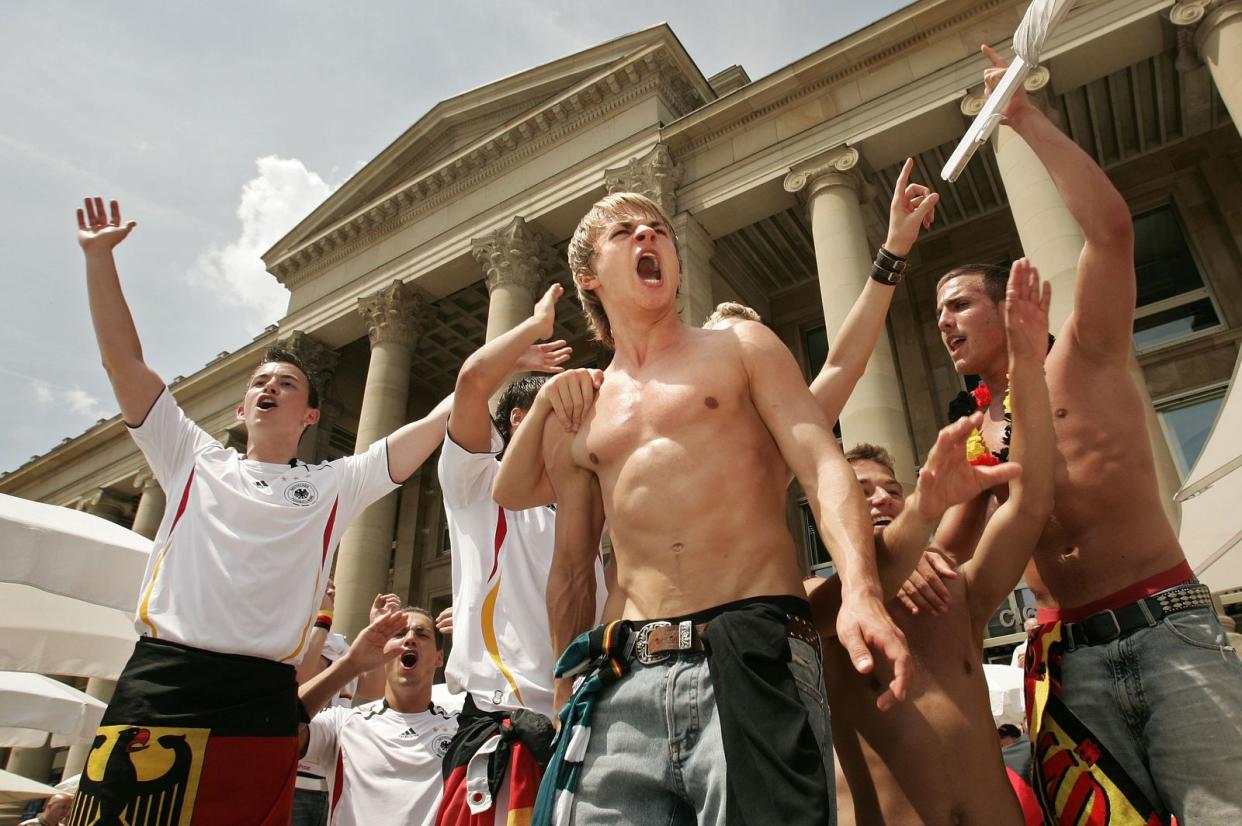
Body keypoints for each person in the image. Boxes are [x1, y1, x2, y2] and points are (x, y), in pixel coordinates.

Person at [494, 190, 911, 826]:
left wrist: (860, 589)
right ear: (588, 277)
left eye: (658, 229)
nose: (647, 237)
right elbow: (573, 564)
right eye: (625, 232)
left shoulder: (740, 346)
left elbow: (824, 464)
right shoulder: (582, 407)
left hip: (751, 651)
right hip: (622, 671)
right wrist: (562, 694)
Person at [930, 47, 1242, 823]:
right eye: (936, 315)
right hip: (1067, 663)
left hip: (1168, 625)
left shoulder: (1083, 351)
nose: (944, 324)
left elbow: (1108, 231)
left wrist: (1025, 117)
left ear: (1007, 305)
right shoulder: (977, 436)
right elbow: (950, 556)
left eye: (959, 305)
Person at [69, 198, 452, 825]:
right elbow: (125, 365)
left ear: (310, 417)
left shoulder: (334, 483)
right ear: (242, 409)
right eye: (259, 383)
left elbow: (432, 426)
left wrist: (497, 367)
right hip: (166, 680)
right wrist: (99, 260)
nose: (268, 387)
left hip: (263, 697)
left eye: (287, 384)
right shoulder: (191, 457)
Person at [808, 260, 1054, 826]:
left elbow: (1030, 504)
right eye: (859, 491)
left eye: (891, 491)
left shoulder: (955, 590)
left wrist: (1027, 368)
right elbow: (844, 594)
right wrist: (918, 515)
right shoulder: (813, 606)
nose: (878, 500)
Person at [435, 284, 605, 823]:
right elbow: (470, 384)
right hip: (507, 728)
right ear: (516, 423)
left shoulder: (591, 503)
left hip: (591, 721)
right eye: (560, 408)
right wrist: (530, 332)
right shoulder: (477, 485)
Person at [297, 604, 457, 826]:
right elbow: (282, 724)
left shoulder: (461, 730)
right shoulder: (344, 723)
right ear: (382, 651)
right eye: (400, 634)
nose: (410, 639)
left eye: (421, 634)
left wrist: (476, 643)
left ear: (439, 658)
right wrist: (351, 663)